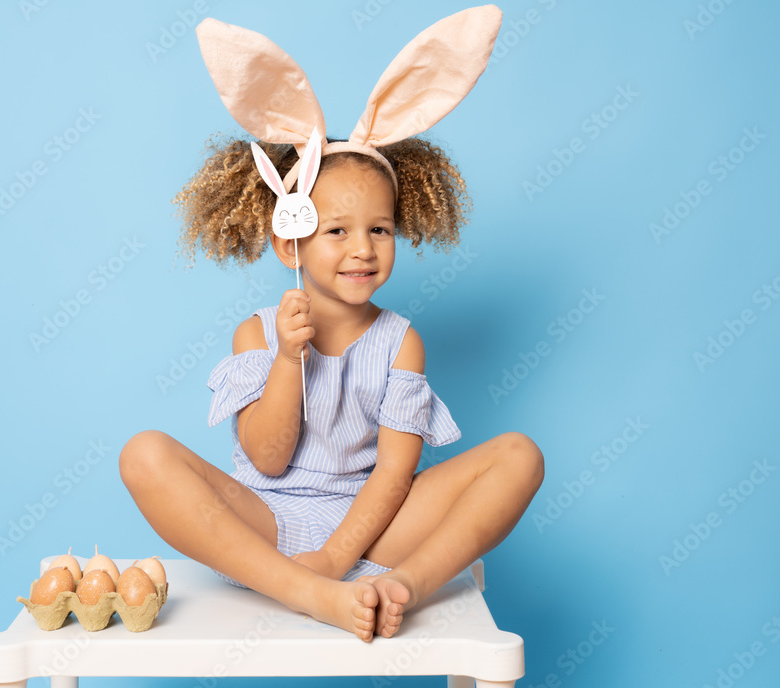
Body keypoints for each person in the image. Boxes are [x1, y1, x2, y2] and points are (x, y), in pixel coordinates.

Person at [119, 8, 544, 642]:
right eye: (336, 232)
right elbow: (266, 458)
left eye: (379, 230)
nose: (363, 249)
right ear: (290, 244)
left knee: (519, 455)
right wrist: (289, 360)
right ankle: (304, 594)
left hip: (374, 531)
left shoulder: (402, 341)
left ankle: (406, 585)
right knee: (144, 454)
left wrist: (340, 558)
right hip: (264, 531)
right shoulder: (257, 334)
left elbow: (396, 473)